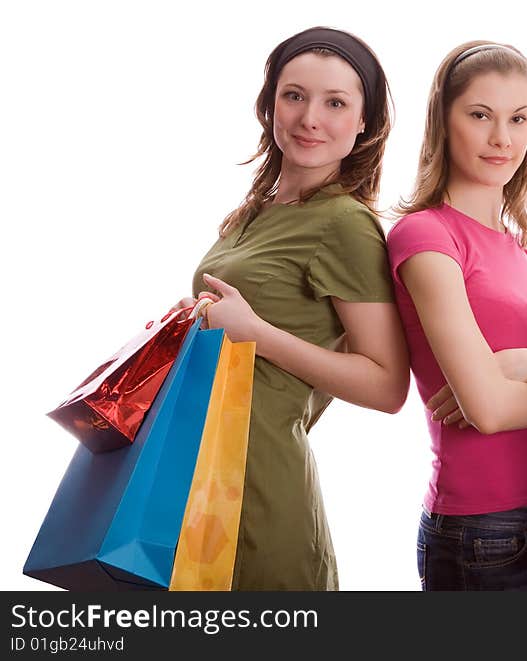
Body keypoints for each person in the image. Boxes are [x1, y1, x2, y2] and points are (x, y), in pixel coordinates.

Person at [172, 27, 410, 590]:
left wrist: (254, 331)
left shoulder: (345, 224)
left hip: (258, 487)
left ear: (363, 124)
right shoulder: (256, 209)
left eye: (335, 103)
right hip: (196, 473)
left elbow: (387, 386)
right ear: (269, 105)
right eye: (294, 95)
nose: (310, 118)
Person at [386, 41, 527, 591]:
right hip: (482, 533)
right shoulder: (426, 236)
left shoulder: (525, 248)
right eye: (480, 115)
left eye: (518, 118)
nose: (503, 138)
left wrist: (520, 364)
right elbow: (488, 411)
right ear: (444, 120)